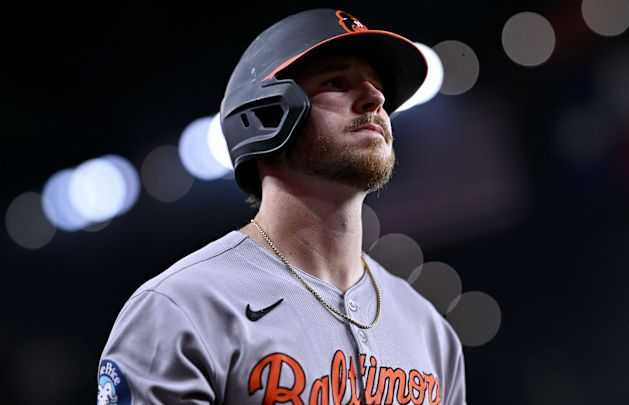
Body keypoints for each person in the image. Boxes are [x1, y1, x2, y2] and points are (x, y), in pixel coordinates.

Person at [97, 8, 466, 405]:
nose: (376, 98)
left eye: (378, 86)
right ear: (264, 114)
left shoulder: (430, 330)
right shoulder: (182, 308)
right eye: (337, 82)